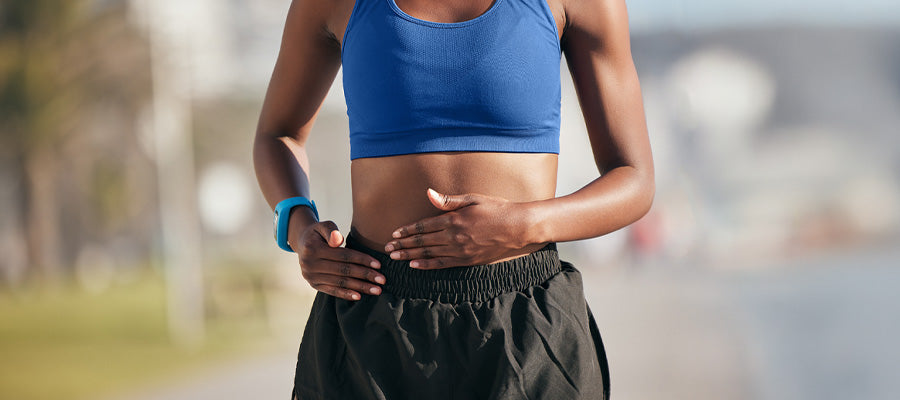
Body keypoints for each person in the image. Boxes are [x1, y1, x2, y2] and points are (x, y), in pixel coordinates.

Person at [253, 0, 653, 398]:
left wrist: (523, 225)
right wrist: (298, 226)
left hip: (525, 324)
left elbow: (634, 179)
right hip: (370, 312)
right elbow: (278, 134)